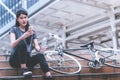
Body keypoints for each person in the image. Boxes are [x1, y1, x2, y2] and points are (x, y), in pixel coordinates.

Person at [9, 8, 54, 80]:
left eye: (25, 17)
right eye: (21, 18)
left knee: (40, 55)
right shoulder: (14, 29)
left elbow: (36, 47)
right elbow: (13, 45)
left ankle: (48, 76)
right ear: (17, 19)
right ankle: (24, 69)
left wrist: (41, 49)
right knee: (22, 43)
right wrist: (23, 37)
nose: (24, 20)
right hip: (15, 60)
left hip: (27, 60)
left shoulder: (32, 31)